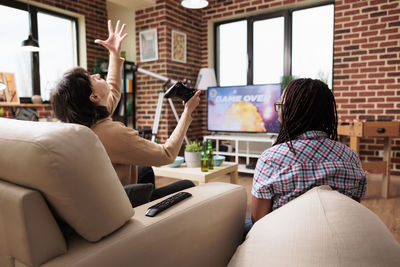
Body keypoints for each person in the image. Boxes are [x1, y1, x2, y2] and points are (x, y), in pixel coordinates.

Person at [51, 20, 200, 207]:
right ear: (94, 96)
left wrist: (114, 54)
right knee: (188, 185)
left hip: (100, 195)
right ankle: (150, 214)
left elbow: (112, 90)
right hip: (120, 203)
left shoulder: (82, 122)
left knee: (145, 170)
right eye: (91, 78)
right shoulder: (112, 133)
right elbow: (167, 154)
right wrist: (187, 112)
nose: (97, 75)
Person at [246, 78, 367, 232]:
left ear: (292, 111)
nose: (278, 113)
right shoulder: (350, 157)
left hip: (280, 241)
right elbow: (353, 211)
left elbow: (258, 221)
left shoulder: (270, 158)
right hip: (339, 237)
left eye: (281, 106)